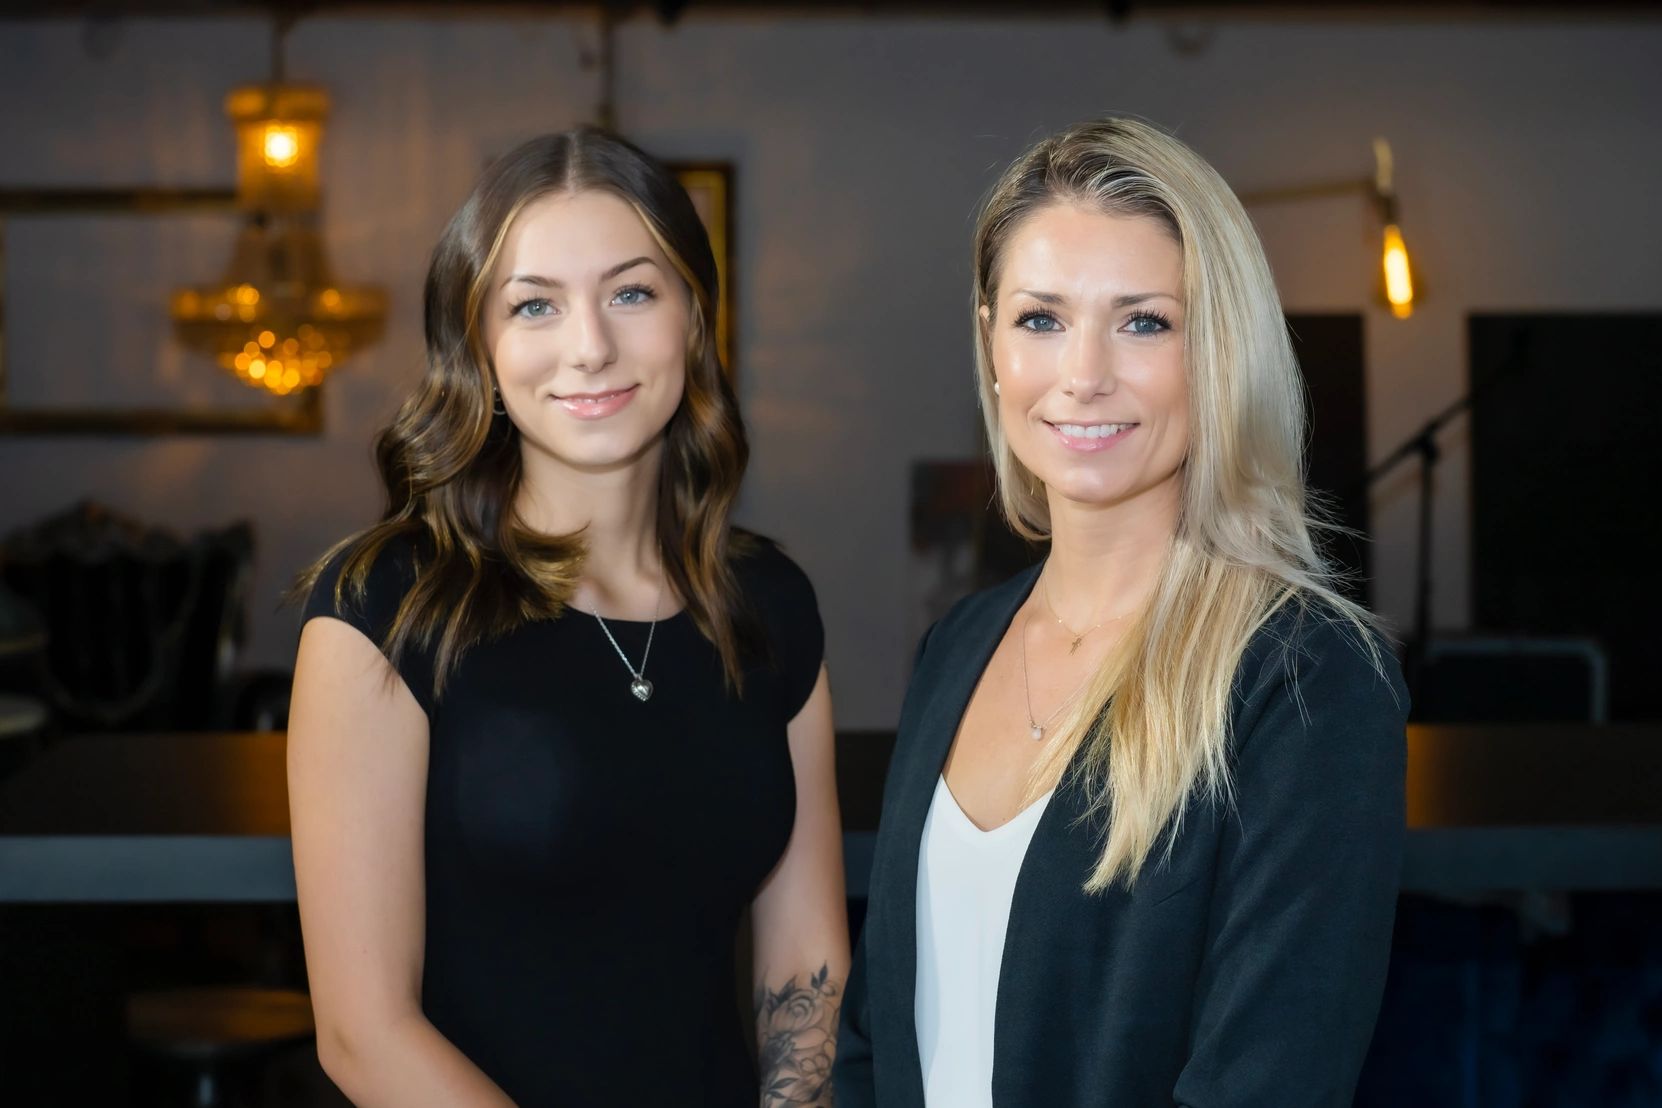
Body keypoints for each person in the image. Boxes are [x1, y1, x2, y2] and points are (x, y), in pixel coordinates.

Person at [834, 116, 1408, 1107]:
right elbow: (874, 1035)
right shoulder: (956, 648)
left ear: (1216, 351)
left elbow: (1267, 1082)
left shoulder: (1306, 677)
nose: (1083, 373)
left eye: (1144, 321)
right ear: (991, 343)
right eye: (1041, 319)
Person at [288, 128, 847, 1107]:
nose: (589, 345)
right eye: (534, 304)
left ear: (693, 318)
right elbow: (361, 1033)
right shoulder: (384, 605)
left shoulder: (770, 605)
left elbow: (804, 967)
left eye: (632, 292)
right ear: (482, 344)